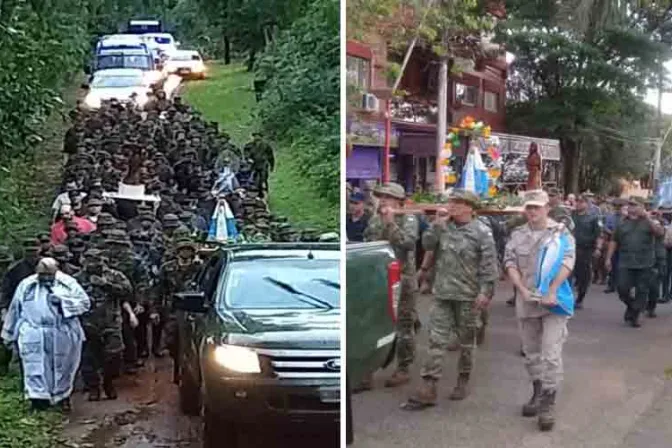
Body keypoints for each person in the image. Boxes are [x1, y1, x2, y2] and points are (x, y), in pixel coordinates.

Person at [402, 190, 498, 410]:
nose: (452, 206)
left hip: (468, 296)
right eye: (451, 201)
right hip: (443, 293)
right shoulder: (443, 227)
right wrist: (436, 224)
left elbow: (489, 266)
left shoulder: (482, 232)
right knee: (436, 340)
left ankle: (462, 380)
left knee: (466, 343)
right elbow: (426, 245)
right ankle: (429, 385)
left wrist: (485, 292)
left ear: (470, 208)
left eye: (458, 203)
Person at [504, 190, 575, 432]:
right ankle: (537, 392)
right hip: (527, 301)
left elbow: (567, 261)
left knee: (550, 353)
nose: (532, 211)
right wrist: (521, 290)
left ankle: (548, 402)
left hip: (553, 303)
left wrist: (553, 289)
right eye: (529, 207)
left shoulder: (560, 232)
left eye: (537, 207)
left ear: (547, 208)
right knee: (531, 353)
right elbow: (510, 262)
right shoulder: (518, 234)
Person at [1, 258, 90, 412]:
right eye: (42, 275)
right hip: (33, 331)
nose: (45, 279)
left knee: (63, 367)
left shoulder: (68, 283)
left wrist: (63, 302)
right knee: (35, 366)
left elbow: (84, 303)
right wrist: (8, 334)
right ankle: (38, 401)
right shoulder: (27, 285)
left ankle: (62, 398)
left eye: (49, 275)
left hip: (62, 331)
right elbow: (15, 309)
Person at [363, 182, 418, 388]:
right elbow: (368, 243)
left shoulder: (408, 219)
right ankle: (368, 370)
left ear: (398, 201)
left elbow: (408, 243)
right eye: (381, 196)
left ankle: (403, 367)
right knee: (374, 325)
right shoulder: (374, 219)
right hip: (377, 278)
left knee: (404, 325)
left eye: (388, 196)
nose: (383, 200)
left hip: (402, 279)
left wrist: (391, 223)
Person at [75, 249, 132, 401]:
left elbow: (127, 291)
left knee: (114, 355)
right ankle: (93, 387)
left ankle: (109, 382)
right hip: (87, 323)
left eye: (96, 260)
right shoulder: (77, 278)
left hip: (111, 322)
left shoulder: (114, 275)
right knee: (88, 358)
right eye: (89, 260)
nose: (93, 264)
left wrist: (106, 285)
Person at [605, 197, 664, 327]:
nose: (631, 207)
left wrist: (647, 217)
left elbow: (660, 233)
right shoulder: (622, 223)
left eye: (634, 205)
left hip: (645, 262)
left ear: (641, 207)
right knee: (622, 289)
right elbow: (614, 241)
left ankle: (636, 315)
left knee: (642, 290)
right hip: (626, 261)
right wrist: (608, 258)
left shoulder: (649, 221)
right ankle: (632, 307)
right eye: (630, 204)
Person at [571, 195, 602, 309]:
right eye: (577, 201)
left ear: (587, 204)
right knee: (567, 273)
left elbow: (599, 235)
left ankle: (580, 298)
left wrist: (598, 248)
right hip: (570, 248)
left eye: (581, 202)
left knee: (583, 275)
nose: (578, 203)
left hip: (586, 249)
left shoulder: (593, 218)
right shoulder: (571, 216)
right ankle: (565, 297)